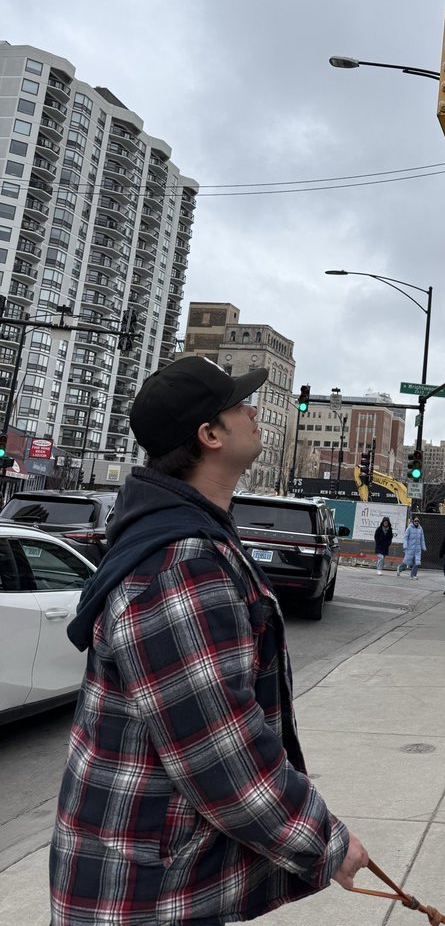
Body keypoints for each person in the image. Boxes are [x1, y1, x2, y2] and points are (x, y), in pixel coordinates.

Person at [49, 355, 368, 926]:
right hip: (142, 890)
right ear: (209, 435)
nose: (253, 411)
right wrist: (325, 842)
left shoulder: (186, 539)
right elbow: (220, 753)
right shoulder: (182, 563)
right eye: (239, 403)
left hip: (151, 871)